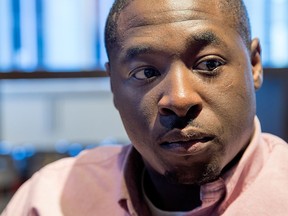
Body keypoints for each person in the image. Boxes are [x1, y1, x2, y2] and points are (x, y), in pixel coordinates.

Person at [2, 0, 288, 215]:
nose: (179, 99)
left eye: (209, 64)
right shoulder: (49, 201)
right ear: (113, 84)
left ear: (253, 65)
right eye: (146, 73)